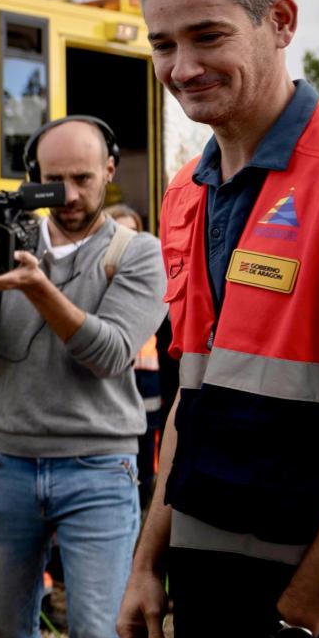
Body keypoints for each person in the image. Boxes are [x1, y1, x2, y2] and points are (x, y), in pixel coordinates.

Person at [118, 0, 319, 638]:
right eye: (163, 43)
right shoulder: (183, 193)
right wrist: (148, 565)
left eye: (208, 35)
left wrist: (302, 620)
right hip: (212, 587)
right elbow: (189, 402)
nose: (182, 67)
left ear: (281, 22)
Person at [0, 115, 166, 638]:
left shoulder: (136, 252)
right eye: (52, 179)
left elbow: (111, 353)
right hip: (7, 463)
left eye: (83, 178)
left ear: (110, 172)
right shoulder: (8, 240)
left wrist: (39, 287)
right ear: (31, 178)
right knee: (8, 631)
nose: (68, 195)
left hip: (98, 469)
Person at [102, 202, 176, 510]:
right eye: (119, 234)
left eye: (133, 234)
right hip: (107, 400)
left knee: (146, 467)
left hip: (148, 391)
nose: (127, 243)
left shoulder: (152, 282)